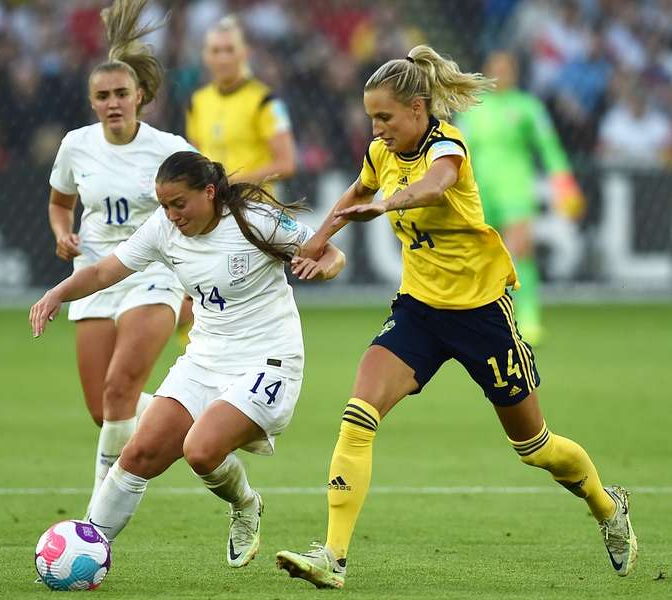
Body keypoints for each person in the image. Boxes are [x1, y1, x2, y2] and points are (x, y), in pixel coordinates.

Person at [275, 45, 636, 589]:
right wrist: (318, 240)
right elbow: (356, 191)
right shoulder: (381, 153)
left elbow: (434, 186)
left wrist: (388, 205)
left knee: (534, 448)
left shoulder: (448, 145)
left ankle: (607, 505)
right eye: (372, 117)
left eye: (386, 117)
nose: (377, 128)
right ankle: (333, 556)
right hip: (419, 311)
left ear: (418, 108)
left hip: (482, 314)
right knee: (358, 413)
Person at [31, 150, 345, 568]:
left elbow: (330, 252)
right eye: (164, 205)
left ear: (210, 193)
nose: (172, 214)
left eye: (179, 203)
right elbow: (105, 271)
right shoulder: (164, 229)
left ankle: (245, 505)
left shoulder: (255, 219)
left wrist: (323, 269)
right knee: (138, 454)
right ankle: (87, 549)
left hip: (268, 361)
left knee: (199, 450)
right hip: (204, 360)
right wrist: (57, 292)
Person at [46, 0, 192, 512]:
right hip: (93, 276)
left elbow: (202, 205)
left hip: (153, 275)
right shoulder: (76, 147)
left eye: (121, 94)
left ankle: (95, 521)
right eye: (103, 96)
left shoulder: (169, 150)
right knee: (105, 410)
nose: (113, 103)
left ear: (140, 97)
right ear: (92, 102)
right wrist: (63, 233)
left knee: (118, 391)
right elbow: (60, 201)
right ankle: (194, 414)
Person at [179, 14, 297, 346]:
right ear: (205, 56)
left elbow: (286, 162)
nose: (222, 57)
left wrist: (228, 182)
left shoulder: (264, 101)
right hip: (210, 221)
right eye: (215, 50)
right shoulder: (197, 102)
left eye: (229, 49)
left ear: (244, 54)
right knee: (202, 316)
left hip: (252, 221)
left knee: (243, 317)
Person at [457, 50, 585, 346]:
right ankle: (482, 318)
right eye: (495, 68)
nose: (501, 74)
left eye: (507, 68)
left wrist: (563, 182)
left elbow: (549, 147)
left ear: (515, 72)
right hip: (478, 189)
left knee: (520, 250)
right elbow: (460, 151)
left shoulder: (528, 107)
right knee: (480, 256)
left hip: (515, 186)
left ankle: (528, 318)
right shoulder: (471, 108)